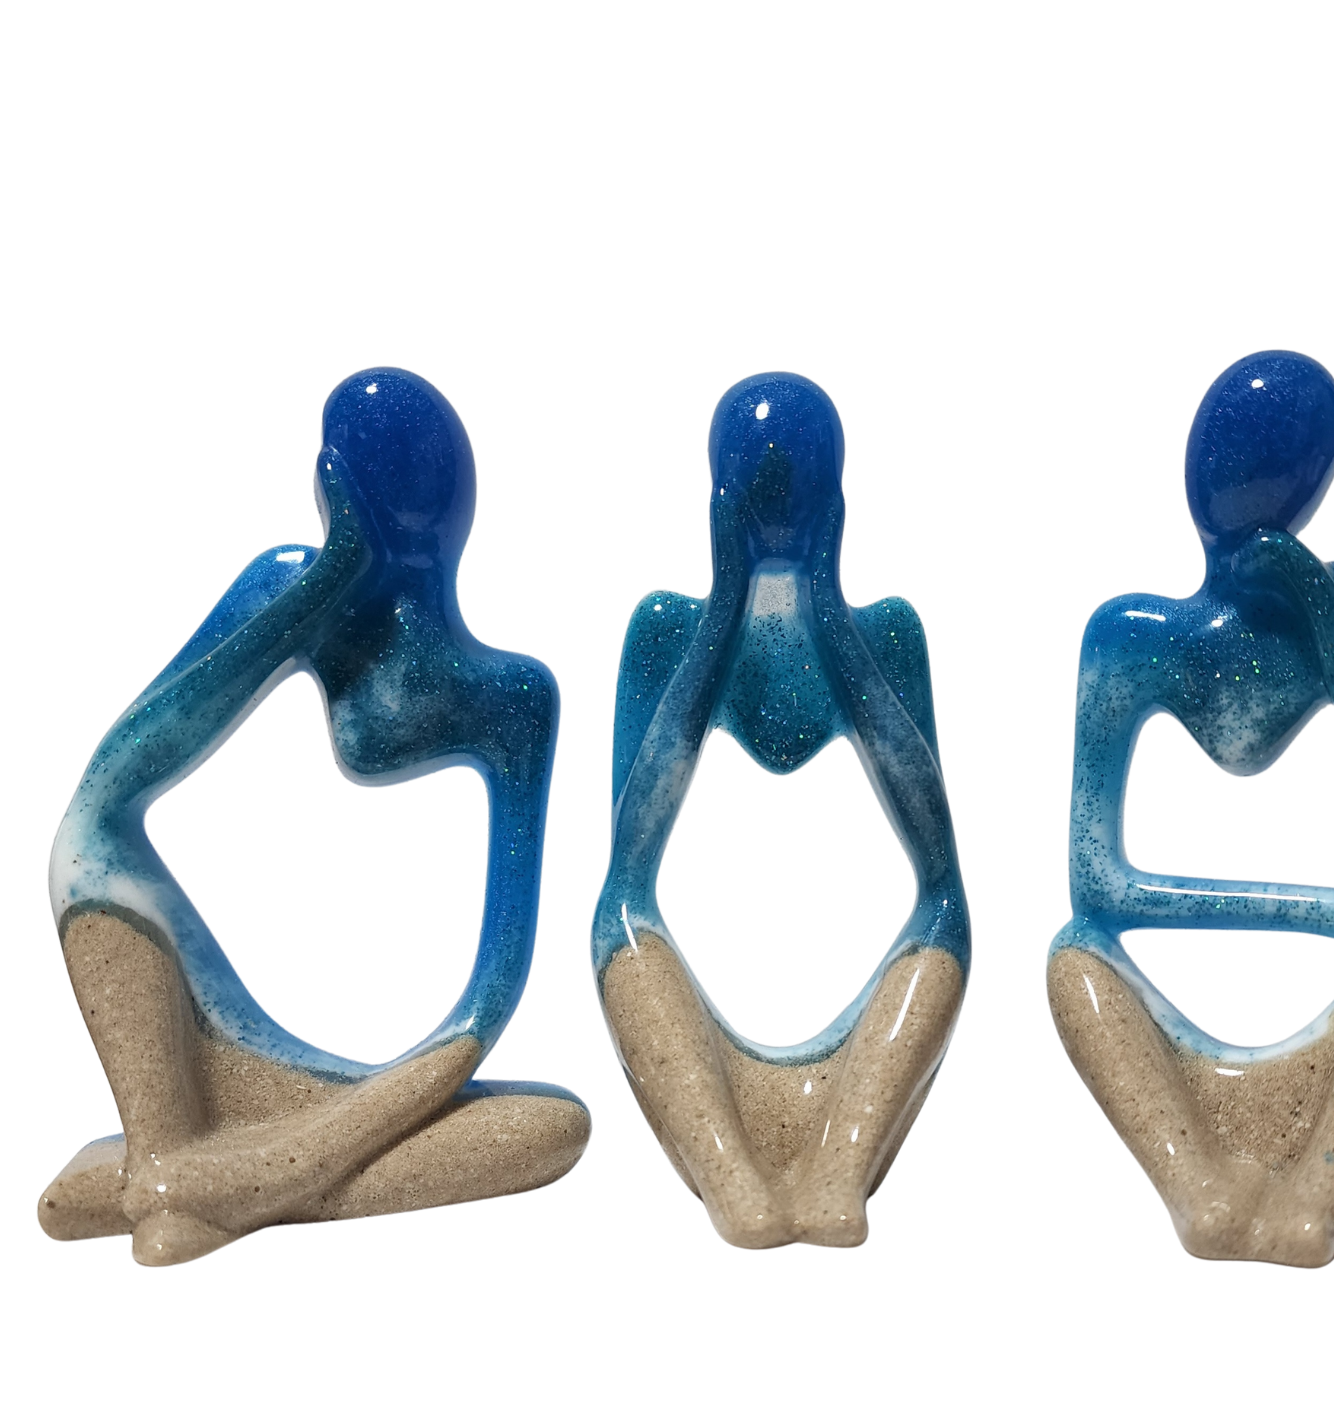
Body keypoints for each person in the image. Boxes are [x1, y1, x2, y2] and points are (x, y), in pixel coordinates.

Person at [40, 369, 588, 1265]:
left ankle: (167, 1179)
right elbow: (112, 787)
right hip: (211, 1050)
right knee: (84, 841)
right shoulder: (283, 590)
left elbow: (491, 994)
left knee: (554, 1126)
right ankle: (182, 1163)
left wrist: (302, 1148)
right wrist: (320, 585)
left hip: (374, 1098)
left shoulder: (512, 697)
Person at [1047, 351, 1334, 1265]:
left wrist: (1322, 608)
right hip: (1186, 1073)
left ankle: (1325, 1182)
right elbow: (1096, 887)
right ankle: (1196, 1182)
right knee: (1073, 958)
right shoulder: (1129, 636)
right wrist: (1333, 912)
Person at [593, 373, 970, 1247]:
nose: (779, 512)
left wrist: (831, 615)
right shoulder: (666, 630)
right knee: (617, 923)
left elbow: (938, 868)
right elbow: (629, 864)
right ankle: (728, 1170)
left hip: (854, 1070)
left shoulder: (888, 633)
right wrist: (723, 611)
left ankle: (843, 1162)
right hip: (703, 1066)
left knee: (951, 921)